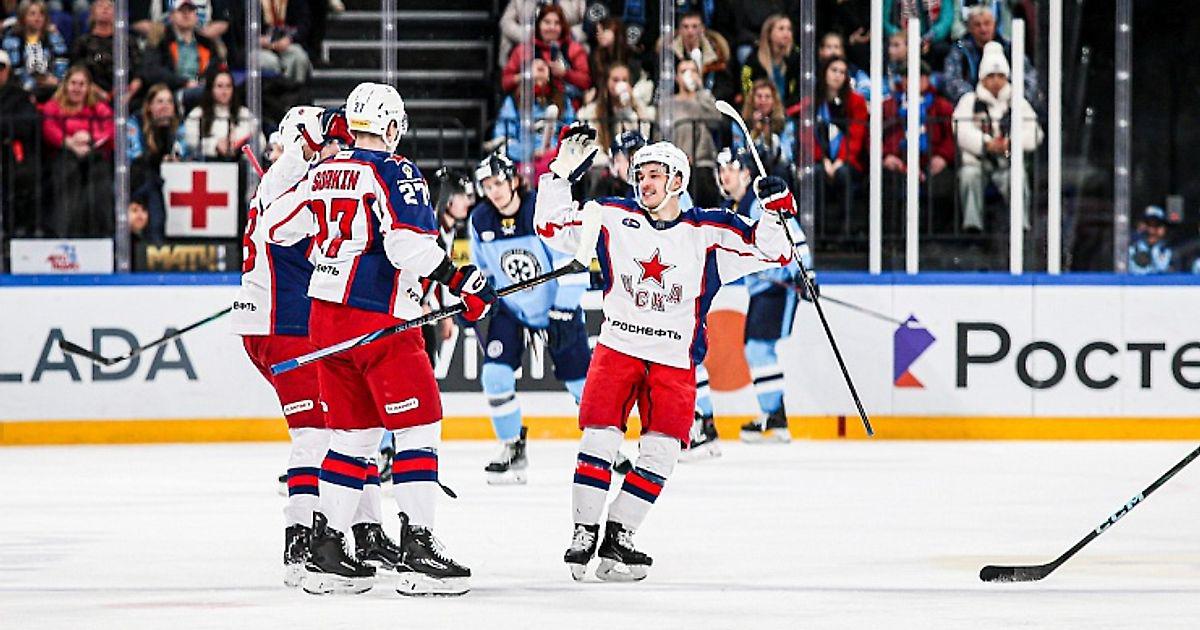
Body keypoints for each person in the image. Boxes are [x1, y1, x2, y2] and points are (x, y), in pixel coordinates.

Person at [261, 82, 497, 596]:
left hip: (324, 320)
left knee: (353, 437)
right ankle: (418, 550)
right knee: (419, 426)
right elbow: (407, 247)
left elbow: (276, 228)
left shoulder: (323, 170)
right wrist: (462, 279)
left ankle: (326, 552)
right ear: (390, 126)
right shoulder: (395, 170)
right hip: (378, 319)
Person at [535, 126, 798, 581]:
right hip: (617, 349)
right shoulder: (612, 215)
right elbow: (550, 226)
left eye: (655, 174)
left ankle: (619, 535)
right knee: (599, 440)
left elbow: (772, 253)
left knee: (661, 455)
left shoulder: (709, 230)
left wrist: (776, 211)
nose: (645, 182)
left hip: (674, 360)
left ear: (677, 180)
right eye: (640, 175)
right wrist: (558, 176)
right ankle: (584, 530)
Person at [233, 106, 358, 589]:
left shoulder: (286, 187)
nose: (334, 152)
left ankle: (356, 533)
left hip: (276, 324)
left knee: (336, 426)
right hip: (283, 327)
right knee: (315, 435)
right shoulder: (286, 181)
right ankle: (300, 542)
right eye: (326, 144)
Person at [466, 150, 591, 484]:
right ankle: (512, 447)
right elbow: (482, 273)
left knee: (583, 385)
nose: (493, 191)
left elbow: (574, 265)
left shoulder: (540, 211)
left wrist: (563, 311)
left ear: (514, 181)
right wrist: (473, 300)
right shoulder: (480, 220)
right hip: (513, 309)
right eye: (487, 186)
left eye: (498, 183)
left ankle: (606, 447)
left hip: (556, 309)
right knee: (494, 377)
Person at [712, 147, 815, 443]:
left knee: (759, 349)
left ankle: (775, 416)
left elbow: (792, 232)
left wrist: (805, 272)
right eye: (721, 170)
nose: (725, 175)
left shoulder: (758, 204)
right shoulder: (735, 206)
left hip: (778, 286)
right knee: (756, 349)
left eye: (731, 168)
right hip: (762, 288)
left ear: (746, 173)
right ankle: (775, 416)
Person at [953, 41, 1042, 233]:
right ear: (982, 78)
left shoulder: (1017, 101)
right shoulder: (969, 100)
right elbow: (960, 130)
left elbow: (1035, 132)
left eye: (1000, 76)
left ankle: (1021, 226)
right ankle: (972, 228)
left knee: (1017, 177)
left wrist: (1012, 143)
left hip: (1007, 163)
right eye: (991, 76)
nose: (995, 81)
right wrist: (986, 143)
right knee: (969, 175)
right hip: (978, 162)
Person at [39, 64, 113, 237]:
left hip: (93, 153)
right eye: (73, 83)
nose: (77, 88)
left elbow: (110, 129)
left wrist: (90, 139)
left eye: (82, 84)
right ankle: (65, 233)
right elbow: (49, 128)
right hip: (63, 153)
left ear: (88, 88)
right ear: (65, 85)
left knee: (100, 177)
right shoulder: (53, 106)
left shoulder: (98, 107)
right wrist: (69, 142)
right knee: (67, 173)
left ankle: (100, 233)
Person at [881, 61, 956, 231]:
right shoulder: (888, 106)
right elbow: (875, 136)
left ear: (927, 79)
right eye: (909, 77)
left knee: (943, 186)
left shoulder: (942, 106)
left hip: (931, 160)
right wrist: (886, 156)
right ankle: (894, 236)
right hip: (898, 161)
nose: (914, 81)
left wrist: (942, 157)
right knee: (886, 184)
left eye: (920, 77)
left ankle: (934, 235)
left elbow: (950, 138)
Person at [491, 57, 576, 178]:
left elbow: (572, 134)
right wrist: (530, 153)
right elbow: (503, 139)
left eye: (544, 65)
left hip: (556, 162)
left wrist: (556, 152)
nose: (540, 65)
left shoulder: (563, 100)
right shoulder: (514, 101)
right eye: (535, 64)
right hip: (523, 163)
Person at [942, 6, 1038, 107]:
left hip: (1010, 103)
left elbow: (1030, 78)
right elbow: (952, 80)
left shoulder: (1009, 48)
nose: (983, 29)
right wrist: (974, 99)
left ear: (994, 24)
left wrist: (1012, 98)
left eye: (987, 23)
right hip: (973, 105)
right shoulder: (960, 49)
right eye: (977, 25)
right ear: (969, 28)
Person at [500, 4, 590, 108]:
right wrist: (527, 76)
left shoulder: (574, 49)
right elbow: (505, 82)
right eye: (547, 22)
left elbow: (586, 82)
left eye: (557, 23)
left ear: (562, 26)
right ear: (538, 25)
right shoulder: (523, 50)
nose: (552, 27)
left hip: (567, 109)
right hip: (529, 108)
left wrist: (565, 73)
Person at [670, 57, 722, 208]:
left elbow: (716, 118)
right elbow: (662, 134)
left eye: (693, 71)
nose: (689, 75)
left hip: (703, 163)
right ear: (676, 77)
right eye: (684, 71)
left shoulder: (705, 99)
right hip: (676, 166)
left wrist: (700, 91)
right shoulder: (669, 104)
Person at [0, 48, 40, 237]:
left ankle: (16, 232)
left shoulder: (19, 95)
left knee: (24, 177)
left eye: (1, 68)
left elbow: (26, 125)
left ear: (8, 70)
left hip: (11, 155)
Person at [183, 65, 262, 161]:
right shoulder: (197, 114)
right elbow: (191, 141)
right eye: (219, 86)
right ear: (211, 89)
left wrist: (240, 147)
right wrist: (215, 145)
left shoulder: (244, 114)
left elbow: (260, 141)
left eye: (228, 86)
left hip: (239, 162)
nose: (224, 91)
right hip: (208, 163)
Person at [660, 10, 736, 104]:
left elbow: (726, 87)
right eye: (685, 27)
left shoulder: (717, 55)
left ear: (702, 29)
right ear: (679, 30)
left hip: (711, 104)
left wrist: (711, 100)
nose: (690, 31)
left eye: (694, 26)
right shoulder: (669, 56)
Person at [0, 0, 68, 101]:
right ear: (23, 17)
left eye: (41, 14)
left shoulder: (55, 38)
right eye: (32, 14)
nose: (38, 18)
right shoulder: (11, 40)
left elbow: (62, 63)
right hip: (19, 89)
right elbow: (11, 70)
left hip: (51, 88)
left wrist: (56, 80)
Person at [740, 14, 800, 109]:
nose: (786, 33)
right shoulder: (754, 58)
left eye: (789, 29)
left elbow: (798, 92)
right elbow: (746, 85)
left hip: (788, 110)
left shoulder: (795, 57)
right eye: (781, 29)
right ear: (769, 33)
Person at [258, 0, 313, 84]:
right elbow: (240, 28)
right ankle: (275, 90)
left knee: (300, 57)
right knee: (271, 62)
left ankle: (295, 89)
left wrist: (290, 39)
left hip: (286, 42)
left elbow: (304, 25)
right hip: (257, 46)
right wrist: (256, 39)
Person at [1128, 205, 1174, 275]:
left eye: (1157, 225)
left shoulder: (1171, 252)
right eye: (1148, 224)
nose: (1152, 231)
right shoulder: (1131, 249)